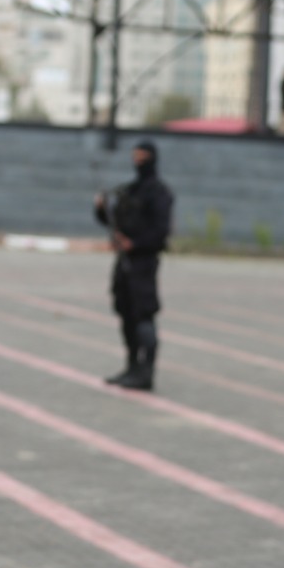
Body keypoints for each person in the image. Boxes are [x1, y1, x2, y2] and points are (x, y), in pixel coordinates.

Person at [95, 139, 173, 391]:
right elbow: (114, 220)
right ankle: (131, 366)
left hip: (144, 263)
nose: (137, 160)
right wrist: (101, 209)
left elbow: (161, 232)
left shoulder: (159, 193)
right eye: (135, 155)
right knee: (125, 312)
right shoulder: (131, 190)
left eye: (142, 156)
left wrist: (135, 244)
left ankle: (146, 372)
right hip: (124, 262)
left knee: (143, 314)